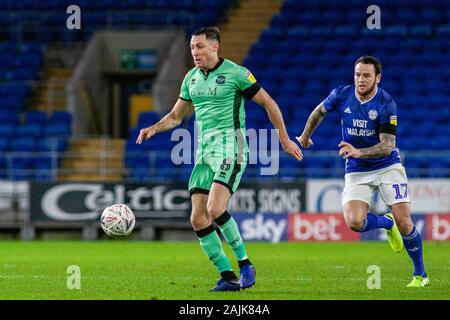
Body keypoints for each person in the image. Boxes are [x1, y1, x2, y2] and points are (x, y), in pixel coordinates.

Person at [137, 26, 302, 292]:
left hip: (231, 149)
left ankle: (246, 264)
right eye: (192, 47)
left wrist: (283, 138)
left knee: (215, 209)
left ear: (215, 47)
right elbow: (176, 117)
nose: (195, 52)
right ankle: (227, 276)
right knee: (198, 218)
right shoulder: (191, 78)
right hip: (204, 154)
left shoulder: (237, 74)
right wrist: (153, 128)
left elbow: (269, 102)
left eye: (200, 46)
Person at [296, 55, 429, 288]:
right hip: (357, 170)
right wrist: (306, 137)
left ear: (378, 77)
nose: (361, 79)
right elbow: (318, 111)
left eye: (366, 75)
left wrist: (359, 152)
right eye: (357, 74)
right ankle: (386, 224)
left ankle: (420, 275)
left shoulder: (386, 103)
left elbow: (387, 145)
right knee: (355, 222)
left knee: (405, 223)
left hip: (388, 166)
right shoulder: (341, 94)